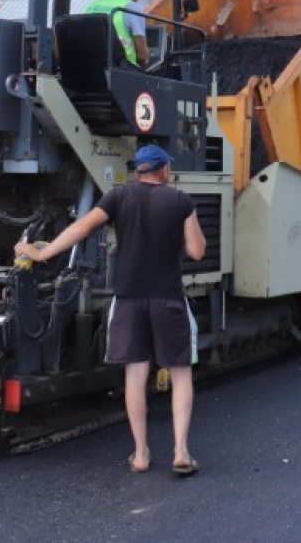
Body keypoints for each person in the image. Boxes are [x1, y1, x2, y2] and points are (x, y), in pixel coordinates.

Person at [14, 144, 206, 476]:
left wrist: (40, 253)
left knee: (135, 375)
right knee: (180, 372)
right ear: (163, 170)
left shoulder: (119, 196)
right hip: (168, 299)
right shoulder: (180, 200)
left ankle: (141, 454)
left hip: (128, 298)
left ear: (139, 171)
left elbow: (81, 228)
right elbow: (198, 251)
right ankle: (181, 452)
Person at [85, 0, 150, 67]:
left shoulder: (92, 6)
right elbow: (142, 56)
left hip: (93, 68)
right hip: (123, 69)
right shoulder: (132, 7)